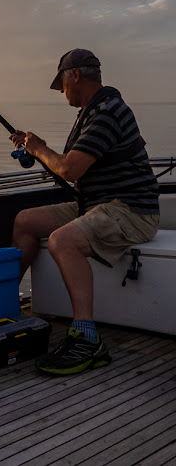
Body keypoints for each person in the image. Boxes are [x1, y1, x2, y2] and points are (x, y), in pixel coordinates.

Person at [10, 48, 159, 375]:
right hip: (96, 205)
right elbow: (71, 166)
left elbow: (69, 170)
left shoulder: (107, 111)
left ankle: (87, 338)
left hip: (132, 210)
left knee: (63, 241)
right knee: (25, 221)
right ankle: (5, 302)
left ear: (74, 75)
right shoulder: (92, 111)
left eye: (61, 83)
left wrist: (38, 148)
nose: (62, 91)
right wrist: (38, 149)